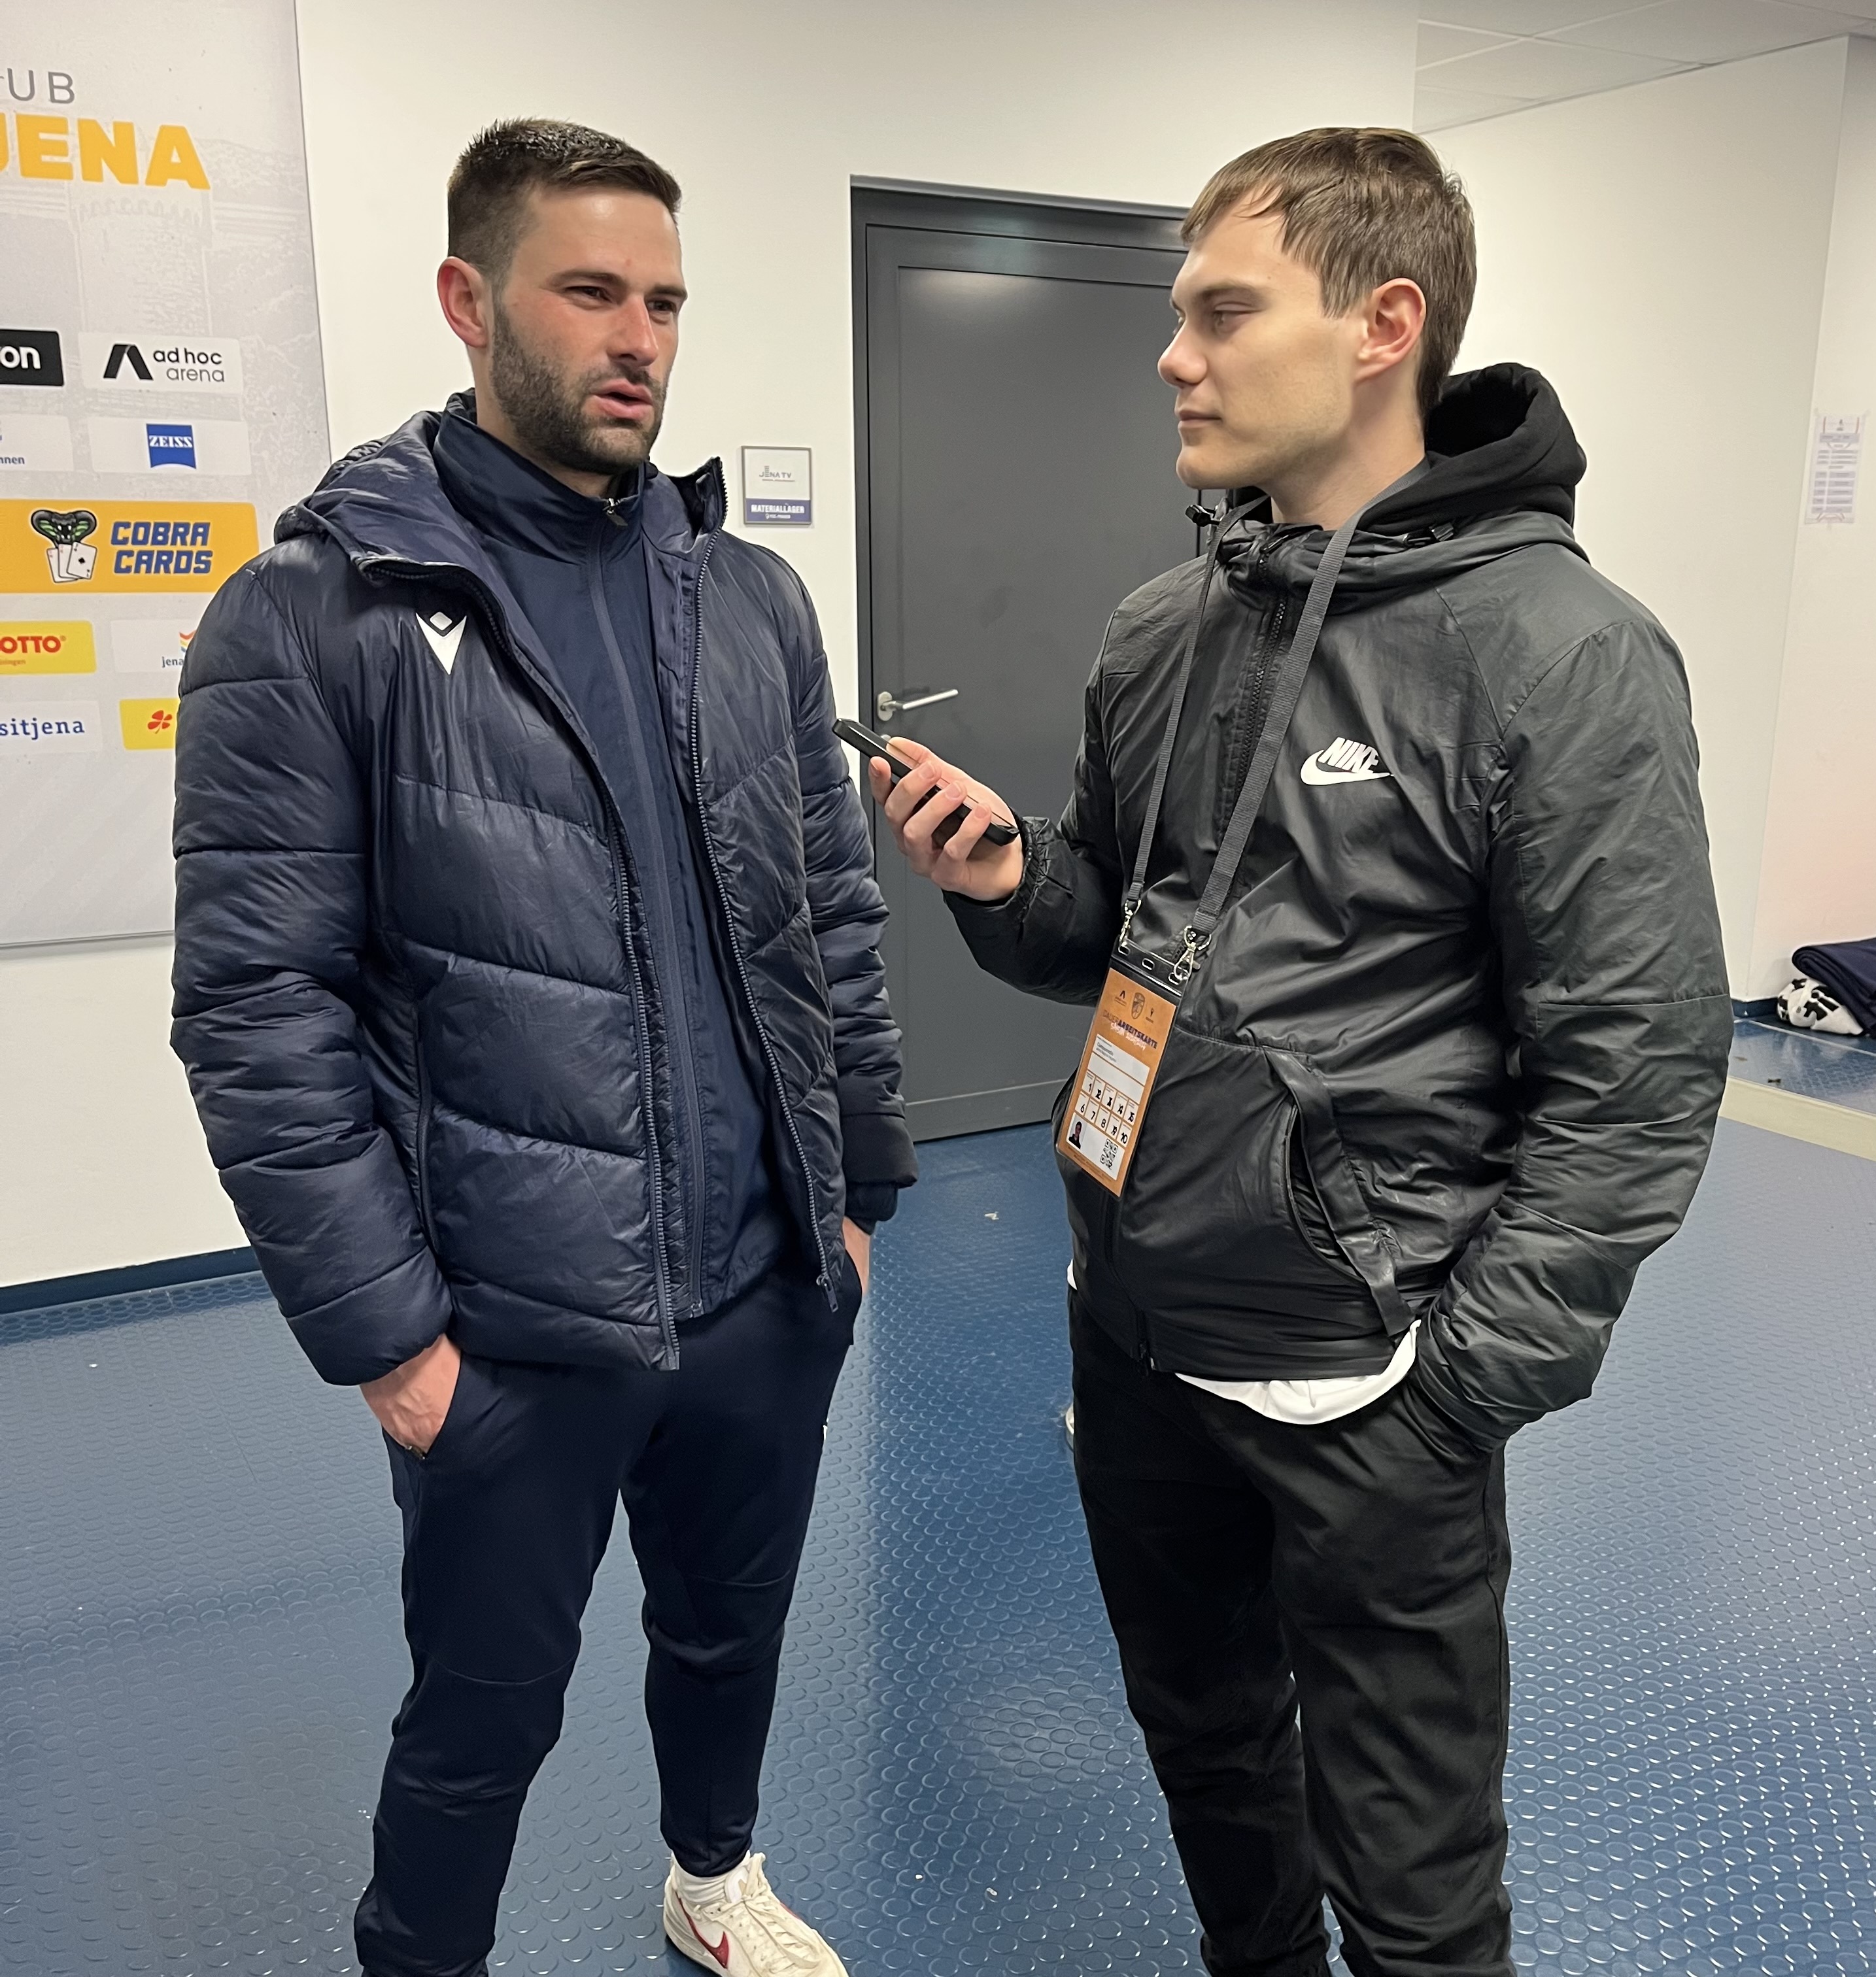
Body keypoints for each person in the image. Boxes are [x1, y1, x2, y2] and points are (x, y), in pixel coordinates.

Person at [872, 127, 1730, 1976]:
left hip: (1374, 1379)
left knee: (1414, 1892)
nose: (1172, 358)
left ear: (1381, 324)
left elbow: (1640, 1083)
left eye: (1219, 313)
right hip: (1137, 1328)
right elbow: (1117, 938)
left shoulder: (1561, 652)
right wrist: (1009, 877)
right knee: (1210, 1766)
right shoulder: (1162, 626)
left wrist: (1453, 1394)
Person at [171, 118, 915, 1977]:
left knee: (729, 1634)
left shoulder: (743, 598)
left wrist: (861, 1200)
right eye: (590, 291)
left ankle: (712, 1882)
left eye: (663, 299)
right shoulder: (313, 613)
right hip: (508, 1326)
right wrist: (393, 1346)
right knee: (483, 1716)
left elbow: (828, 914)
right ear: (469, 299)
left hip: (761, 1283)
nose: (638, 338)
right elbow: (259, 1008)